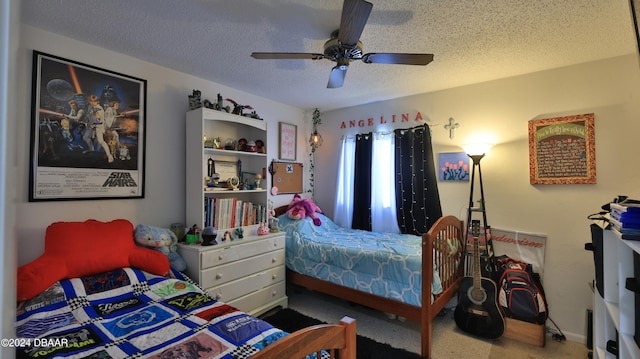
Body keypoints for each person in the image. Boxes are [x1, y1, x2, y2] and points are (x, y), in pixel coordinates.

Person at [85, 94, 114, 163]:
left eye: (93, 101)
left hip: (99, 126)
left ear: (97, 101)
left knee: (101, 141)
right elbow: (88, 115)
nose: (92, 103)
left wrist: (97, 117)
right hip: (91, 125)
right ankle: (91, 148)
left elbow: (100, 120)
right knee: (85, 137)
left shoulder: (100, 109)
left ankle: (109, 155)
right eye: (90, 101)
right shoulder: (90, 107)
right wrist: (87, 119)